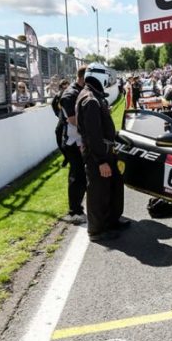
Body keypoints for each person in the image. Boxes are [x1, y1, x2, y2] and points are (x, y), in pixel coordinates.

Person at [76, 68, 125, 241]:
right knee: (98, 192)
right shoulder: (90, 99)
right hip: (98, 154)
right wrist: (100, 161)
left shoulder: (93, 96)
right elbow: (92, 134)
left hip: (105, 151)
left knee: (111, 187)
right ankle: (96, 230)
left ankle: (111, 221)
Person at [59, 67, 88, 221]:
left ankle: (78, 208)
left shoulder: (80, 90)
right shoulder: (70, 94)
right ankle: (75, 212)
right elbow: (72, 120)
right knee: (77, 176)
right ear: (83, 78)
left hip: (79, 139)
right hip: (72, 141)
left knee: (81, 175)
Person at [51, 79, 71, 167]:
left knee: (69, 139)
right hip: (62, 119)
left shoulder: (71, 93)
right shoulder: (58, 95)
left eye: (66, 84)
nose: (65, 85)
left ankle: (71, 157)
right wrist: (58, 114)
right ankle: (66, 157)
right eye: (63, 84)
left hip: (71, 119)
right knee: (58, 134)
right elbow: (53, 104)